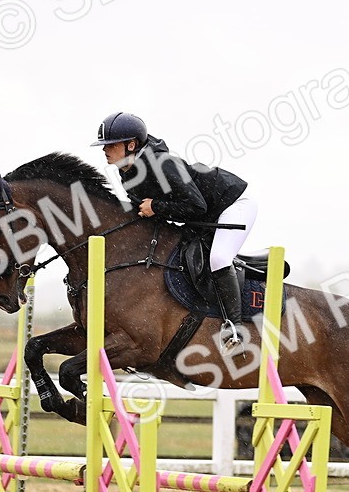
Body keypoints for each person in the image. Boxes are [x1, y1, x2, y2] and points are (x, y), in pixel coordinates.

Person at [91, 111, 257, 355]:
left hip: (232, 203)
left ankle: (235, 328)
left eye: (110, 145)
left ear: (131, 145)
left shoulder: (163, 164)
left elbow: (195, 205)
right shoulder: (125, 172)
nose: (105, 150)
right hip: (202, 216)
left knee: (219, 259)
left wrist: (156, 206)